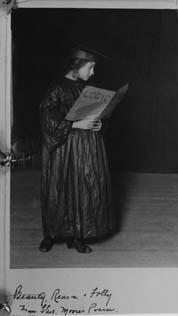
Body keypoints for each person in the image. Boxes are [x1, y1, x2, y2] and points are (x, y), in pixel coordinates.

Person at [39, 45, 115, 253]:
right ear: (77, 65)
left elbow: (98, 114)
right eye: (90, 67)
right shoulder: (57, 87)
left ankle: (77, 234)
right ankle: (51, 234)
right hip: (64, 148)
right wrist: (73, 125)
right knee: (58, 188)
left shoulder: (88, 90)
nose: (93, 73)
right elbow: (47, 118)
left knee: (81, 189)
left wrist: (101, 124)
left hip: (85, 148)